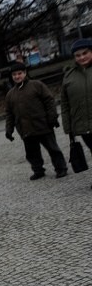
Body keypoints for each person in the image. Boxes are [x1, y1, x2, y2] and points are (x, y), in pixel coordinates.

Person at [5, 61, 67, 179]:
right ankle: (38, 170)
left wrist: (52, 117)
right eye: (14, 75)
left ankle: (61, 168)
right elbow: (9, 114)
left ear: (25, 73)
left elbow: (49, 101)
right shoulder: (10, 94)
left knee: (53, 149)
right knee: (32, 153)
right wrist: (9, 129)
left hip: (43, 125)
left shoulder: (37, 85)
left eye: (19, 73)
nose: (17, 76)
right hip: (25, 129)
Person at [61, 38, 92, 186]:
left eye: (85, 53)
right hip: (83, 123)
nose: (81, 57)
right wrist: (68, 127)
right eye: (77, 55)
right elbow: (65, 104)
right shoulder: (69, 75)